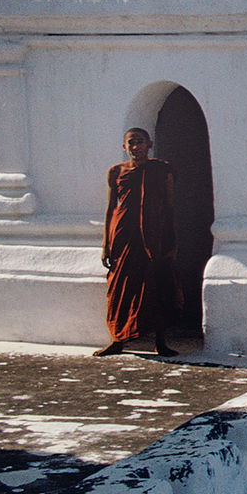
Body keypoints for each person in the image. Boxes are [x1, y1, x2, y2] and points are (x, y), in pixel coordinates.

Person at [96, 127, 178, 358]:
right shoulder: (116, 172)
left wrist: (172, 240)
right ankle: (117, 340)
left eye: (140, 142)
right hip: (123, 236)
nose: (135, 147)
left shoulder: (162, 170)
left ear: (149, 145)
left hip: (154, 236)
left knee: (157, 286)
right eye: (131, 143)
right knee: (119, 289)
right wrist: (106, 244)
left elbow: (170, 207)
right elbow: (111, 208)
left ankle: (160, 342)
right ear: (124, 147)